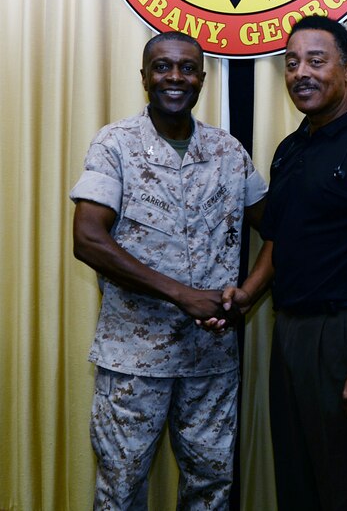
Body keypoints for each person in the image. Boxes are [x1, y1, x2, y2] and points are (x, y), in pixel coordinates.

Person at [220, 16, 347, 511]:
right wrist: (247, 295)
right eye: (291, 64)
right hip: (291, 334)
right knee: (299, 484)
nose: (301, 73)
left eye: (317, 60)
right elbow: (280, 240)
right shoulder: (290, 150)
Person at [70, 31, 267, 511]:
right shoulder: (115, 144)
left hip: (211, 362)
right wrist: (182, 294)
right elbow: (88, 238)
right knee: (120, 491)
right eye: (162, 67)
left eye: (186, 68)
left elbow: (278, 232)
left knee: (211, 489)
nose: (174, 77)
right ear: (144, 77)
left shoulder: (229, 152)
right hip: (134, 364)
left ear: (201, 78)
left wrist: (249, 293)